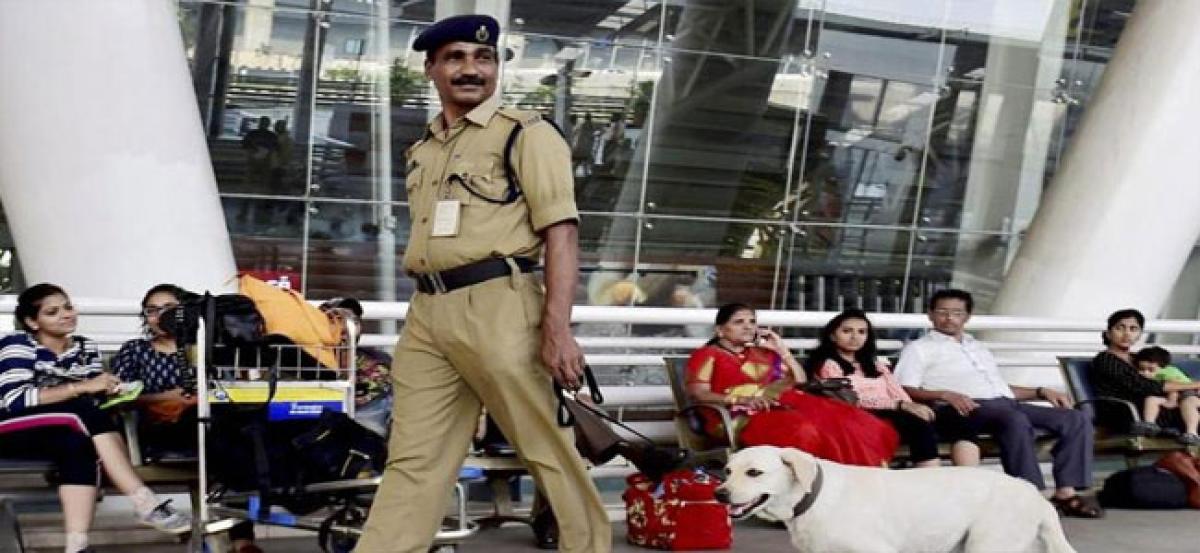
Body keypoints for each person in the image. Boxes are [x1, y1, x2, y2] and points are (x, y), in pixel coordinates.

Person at [353, 14, 610, 553]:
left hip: (501, 304)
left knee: (546, 448)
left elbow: (561, 233)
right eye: (456, 58)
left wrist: (558, 328)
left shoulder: (527, 134)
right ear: (430, 70)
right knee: (414, 457)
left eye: (483, 58)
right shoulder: (422, 149)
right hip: (427, 312)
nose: (471, 69)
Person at [0, 284, 191, 553]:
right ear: (32, 322)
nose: (66, 314)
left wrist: (112, 390)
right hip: (11, 425)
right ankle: (144, 502)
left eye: (68, 307)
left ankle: (77, 547)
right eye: (52, 312)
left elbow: (95, 400)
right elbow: (15, 400)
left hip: (63, 426)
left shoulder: (84, 347)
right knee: (82, 408)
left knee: (79, 445)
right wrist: (81, 387)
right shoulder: (17, 345)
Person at [894, 289, 1102, 518]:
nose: (949, 318)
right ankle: (1031, 495)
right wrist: (944, 394)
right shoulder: (919, 349)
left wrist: (1040, 391)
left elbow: (1001, 389)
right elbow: (904, 388)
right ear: (930, 314)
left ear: (967, 316)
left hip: (1003, 403)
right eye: (942, 312)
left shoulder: (977, 347)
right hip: (966, 409)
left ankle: (1066, 493)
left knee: (1075, 418)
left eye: (956, 313)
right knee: (1014, 419)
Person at [111, 284, 262, 553]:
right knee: (228, 440)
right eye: (152, 311)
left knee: (237, 435)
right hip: (164, 427)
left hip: (212, 425)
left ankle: (242, 542)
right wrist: (168, 397)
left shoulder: (205, 346)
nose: (159, 316)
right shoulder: (135, 350)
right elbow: (120, 398)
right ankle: (240, 538)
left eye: (168, 309)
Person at [685, 303, 898, 467]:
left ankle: (858, 481)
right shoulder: (707, 354)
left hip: (781, 404)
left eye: (752, 321)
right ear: (720, 330)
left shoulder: (764, 354)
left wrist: (782, 350)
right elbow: (698, 393)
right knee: (804, 431)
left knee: (850, 420)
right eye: (739, 322)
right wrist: (744, 400)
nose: (748, 326)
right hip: (738, 416)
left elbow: (800, 380)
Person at [808, 309, 974, 468]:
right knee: (917, 424)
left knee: (957, 418)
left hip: (896, 409)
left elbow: (896, 391)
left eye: (861, 332)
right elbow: (850, 399)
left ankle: (970, 477)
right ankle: (931, 474)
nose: (855, 337)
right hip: (861, 413)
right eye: (847, 331)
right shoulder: (829, 365)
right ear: (832, 335)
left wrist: (913, 406)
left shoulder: (875, 364)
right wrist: (900, 406)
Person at [1089, 310, 1200, 445]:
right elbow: (1145, 386)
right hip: (1130, 413)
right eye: (1120, 328)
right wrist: (1195, 385)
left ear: (1139, 335)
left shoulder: (1139, 359)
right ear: (1108, 333)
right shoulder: (1105, 360)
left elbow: (1167, 375)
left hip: (1158, 408)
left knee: (1191, 405)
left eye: (1133, 329)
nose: (1127, 333)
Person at [318, 297, 393, 437]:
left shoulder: (377, 360)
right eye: (337, 319)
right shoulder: (313, 360)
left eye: (354, 319)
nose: (347, 325)